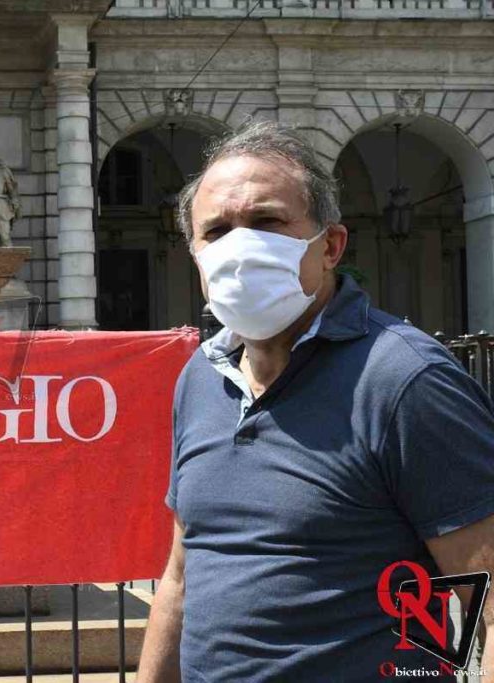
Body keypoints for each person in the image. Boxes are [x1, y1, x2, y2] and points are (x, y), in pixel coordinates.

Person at [136, 120, 494, 682]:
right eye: (217, 230)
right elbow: (182, 575)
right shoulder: (200, 379)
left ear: (330, 246)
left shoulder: (404, 379)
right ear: (195, 255)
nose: (240, 246)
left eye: (266, 221)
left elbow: (489, 602)